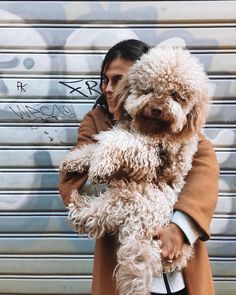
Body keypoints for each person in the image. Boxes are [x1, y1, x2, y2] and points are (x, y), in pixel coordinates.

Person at [58, 39, 219, 295]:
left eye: (118, 80)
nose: (109, 89)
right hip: (123, 262)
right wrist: (132, 171)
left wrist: (179, 230)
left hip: (179, 274)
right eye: (105, 80)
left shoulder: (187, 135)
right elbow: (75, 183)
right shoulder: (96, 123)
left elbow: (204, 178)